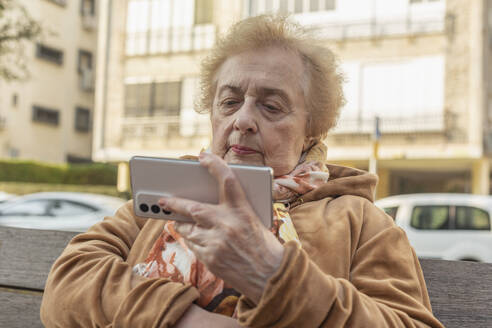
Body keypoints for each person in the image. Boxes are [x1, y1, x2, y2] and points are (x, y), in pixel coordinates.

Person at [40, 15, 444, 327]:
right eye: (229, 102)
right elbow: (65, 287)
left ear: (312, 130)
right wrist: (186, 319)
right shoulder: (170, 193)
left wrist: (275, 276)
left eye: (271, 106)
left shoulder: (359, 221)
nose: (244, 120)